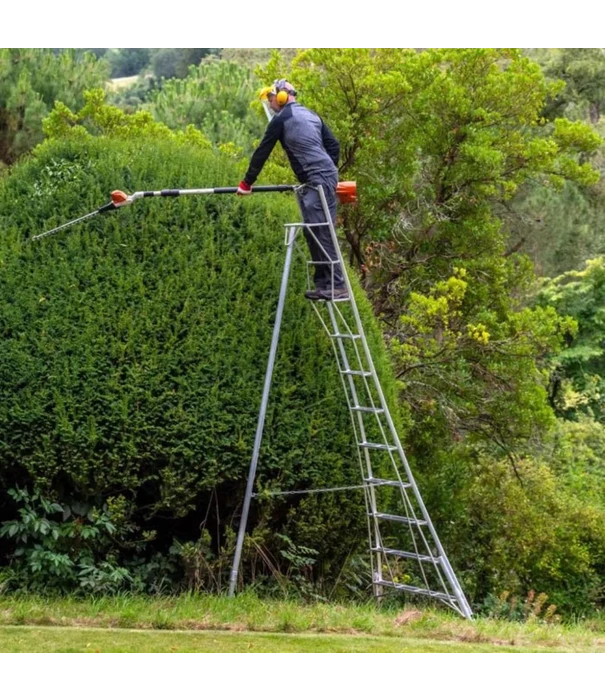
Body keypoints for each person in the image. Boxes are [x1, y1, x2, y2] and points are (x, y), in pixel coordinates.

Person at [237, 79, 349, 301]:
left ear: (282, 97)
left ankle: (338, 285)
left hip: (319, 179)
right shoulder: (311, 115)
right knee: (312, 230)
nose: (270, 105)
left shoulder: (282, 119)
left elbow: (262, 151)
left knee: (320, 229)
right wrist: (329, 172)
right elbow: (334, 146)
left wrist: (246, 184)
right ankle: (323, 284)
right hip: (322, 178)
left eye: (271, 99)